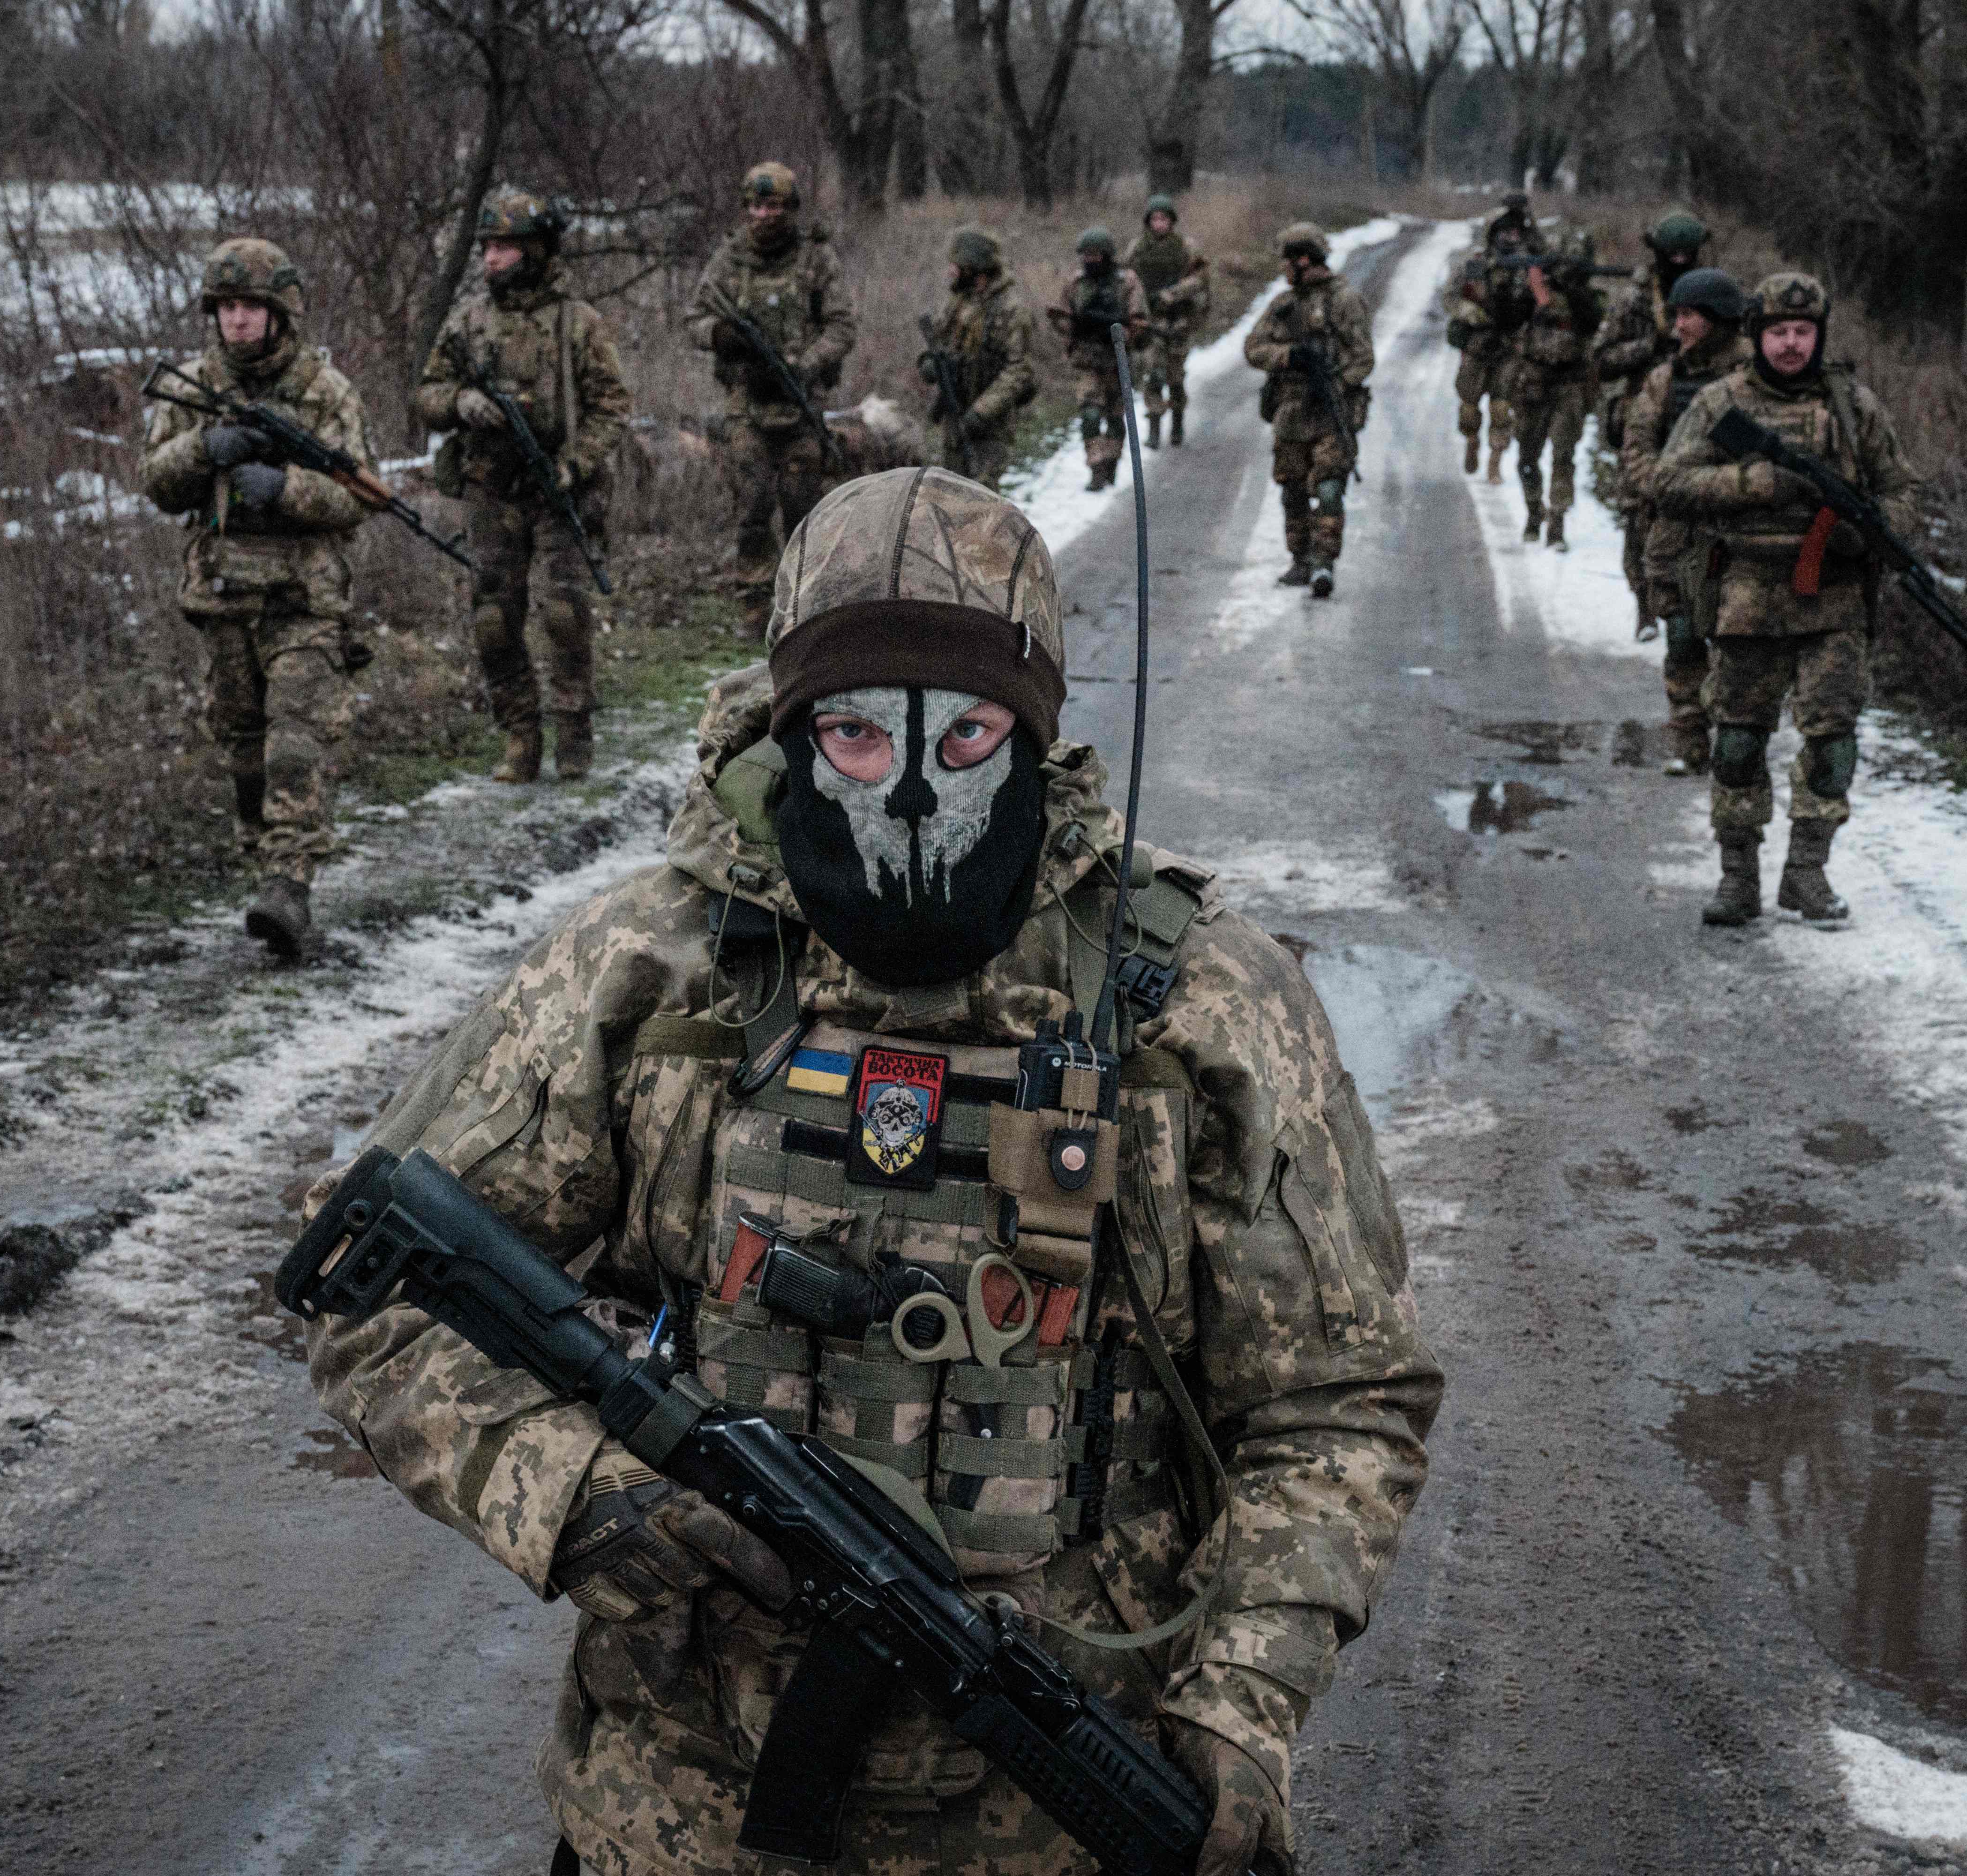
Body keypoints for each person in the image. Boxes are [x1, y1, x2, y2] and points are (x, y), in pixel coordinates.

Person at [308, 465, 1440, 1876]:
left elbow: (1337, 1399)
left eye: (963, 733)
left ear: (1032, 729)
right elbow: (377, 1291)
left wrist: (1244, 1697)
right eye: (849, 735)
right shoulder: (647, 969)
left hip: (1064, 1812)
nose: (905, 787)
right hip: (683, 1810)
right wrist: (587, 1493)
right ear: (791, 728)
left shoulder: (1199, 1003)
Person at [1656, 273, 1917, 927]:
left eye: (1803, 332)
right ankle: (1738, 877)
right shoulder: (1721, 404)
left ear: (1819, 335)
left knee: (1832, 741)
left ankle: (1807, 874)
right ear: (1757, 335)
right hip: (1746, 592)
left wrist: (1869, 530)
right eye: (1779, 332)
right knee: (1739, 742)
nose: (1792, 343)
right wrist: (1757, 482)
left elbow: (1902, 490)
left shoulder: (1855, 407)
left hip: (1834, 601)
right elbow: (1670, 482)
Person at [140, 237, 375, 959]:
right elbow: (156, 481)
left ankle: (288, 887)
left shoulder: (323, 391)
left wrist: (288, 488)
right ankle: (269, 862)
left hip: (304, 598)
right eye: (228, 308)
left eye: (252, 308)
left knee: (296, 746)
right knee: (244, 749)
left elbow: (360, 494)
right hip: (223, 594)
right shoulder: (190, 386)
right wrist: (204, 451)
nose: (239, 321)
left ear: (281, 314)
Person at [415, 187, 633, 783]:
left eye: (505, 247)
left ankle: (573, 734)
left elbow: (612, 406)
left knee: (565, 614)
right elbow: (428, 395)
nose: (490, 258)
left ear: (535, 251)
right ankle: (520, 736)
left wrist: (575, 463)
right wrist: (461, 402)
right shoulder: (468, 324)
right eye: (487, 247)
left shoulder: (578, 324)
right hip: (491, 488)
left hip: (558, 489)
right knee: (493, 620)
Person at [687, 161, 856, 641]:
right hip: (746, 406)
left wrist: (805, 363)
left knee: (804, 507)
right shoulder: (730, 260)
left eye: (774, 206)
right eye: (757, 206)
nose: (764, 215)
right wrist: (722, 336)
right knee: (752, 506)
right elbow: (694, 318)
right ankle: (754, 606)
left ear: (791, 209)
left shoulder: (816, 260)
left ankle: (807, 604)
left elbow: (843, 326)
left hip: (801, 407)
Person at [1617, 268, 1750, 777]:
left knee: (1739, 641)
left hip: (1742, 531)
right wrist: (1668, 487)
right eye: (1676, 314)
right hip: (1679, 529)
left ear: (1718, 320)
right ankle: (1691, 743)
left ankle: (1738, 739)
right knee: (1682, 636)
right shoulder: (1666, 378)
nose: (1678, 326)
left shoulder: (1754, 378)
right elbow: (1638, 445)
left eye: (1688, 315)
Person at [1593, 211, 1715, 629]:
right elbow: (1603, 360)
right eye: (1672, 255)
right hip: (1646, 423)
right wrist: (1649, 347)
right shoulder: (1635, 300)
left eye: (1688, 255)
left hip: (1703, 420)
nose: (1680, 263)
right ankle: (1645, 606)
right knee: (1639, 515)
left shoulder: (1715, 297)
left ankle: (1692, 609)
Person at [1243, 220, 1374, 598]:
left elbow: (1364, 358)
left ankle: (1324, 562)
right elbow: (1253, 349)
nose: (1283, 270)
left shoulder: (1345, 301)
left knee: (1330, 486)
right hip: (1290, 410)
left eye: (1287, 262)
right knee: (1292, 488)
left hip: (1332, 411)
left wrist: (1336, 384)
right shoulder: (1284, 305)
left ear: (1303, 260)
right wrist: (1289, 356)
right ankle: (1300, 559)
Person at [1497, 226, 1609, 549]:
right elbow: (1508, 319)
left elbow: (1591, 321)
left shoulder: (1585, 296)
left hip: (1569, 385)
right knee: (1527, 457)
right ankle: (1535, 511)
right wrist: (1518, 289)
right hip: (1533, 384)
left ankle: (1557, 523)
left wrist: (1571, 288)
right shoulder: (1532, 291)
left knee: (1564, 455)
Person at [917, 226, 1039, 488]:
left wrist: (982, 412)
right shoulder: (957, 304)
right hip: (955, 415)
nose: (951, 271)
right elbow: (937, 343)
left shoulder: (1012, 310)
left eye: (956, 266)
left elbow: (1020, 370)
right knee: (950, 495)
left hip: (990, 427)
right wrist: (930, 364)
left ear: (976, 271)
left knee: (981, 502)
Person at [1048, 226, 1148, 491]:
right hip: (1087, 361)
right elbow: (1060, 315)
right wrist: (1077, 328)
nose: (1090, 260)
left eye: (1096, 254)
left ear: (1107, 254)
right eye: (1086, 254)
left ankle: (1112, 462)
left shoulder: (1127, 282)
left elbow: (1140, 321)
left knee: (1116, 418)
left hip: (1119, 362)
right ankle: (1096, 467)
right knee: (1091, 415)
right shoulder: (1076, 284)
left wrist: (1118, 333)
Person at [1446, 195, 1534, 479]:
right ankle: (1472, 442)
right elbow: (1452, 296)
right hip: (1478, 345)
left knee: (1501, 407)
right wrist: (1468, 310)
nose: (1510, 238)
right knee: (1469, 408)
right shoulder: (1477, 264)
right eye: (1505, 232)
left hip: (1509, 348)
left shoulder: (1525, 267)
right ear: (1493, 235)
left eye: (1515, 233)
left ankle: (1495, 459)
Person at [1127, 193, 1212, 449]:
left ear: (1172, 221)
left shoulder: (1187, 248)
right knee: (1153, 376)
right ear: (1148, 222)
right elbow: (1128, 281)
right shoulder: (1137, 249)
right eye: (1155, 219)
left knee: (1175, 379)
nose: (1159, 224)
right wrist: (1140, 305)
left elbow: (1201, 280)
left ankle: (1177, 422)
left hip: (1178, 324)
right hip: (1150, 325)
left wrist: (1172, 295)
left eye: (1164, 219)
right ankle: (1154, 427)